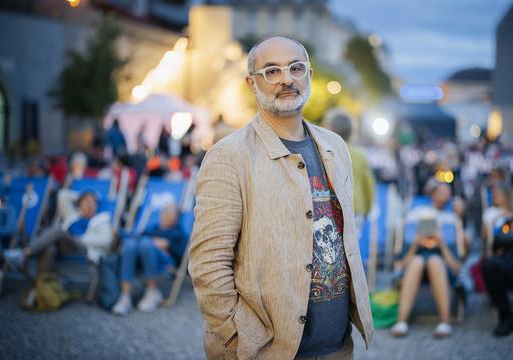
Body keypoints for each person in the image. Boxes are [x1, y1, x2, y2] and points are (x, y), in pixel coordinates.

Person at [188, 35, 373, 360]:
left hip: (338, 347)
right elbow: (208, 264)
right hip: (267, 351)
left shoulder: (335, 148)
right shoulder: (228, 156)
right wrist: (238, 338)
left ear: (309, 76)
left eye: (296, 68)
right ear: (251, 82)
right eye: (271, 71)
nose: (287, 79)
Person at [390, 184, 462, 338]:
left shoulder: (452, 219)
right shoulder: (417, 215)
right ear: (433, 194)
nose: (446, 196)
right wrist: (416, 242)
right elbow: (400, 266)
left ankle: (445, 321)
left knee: (435, 260)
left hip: (442, 266)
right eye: (442, 192)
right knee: (417, 261)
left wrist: (441, 242)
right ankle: (401, 321)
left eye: (448, 193)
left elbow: (457, 269)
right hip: (415, 263)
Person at [4, 190, 113, 272]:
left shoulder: (101, 220)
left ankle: (23, 254)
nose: (90, 205)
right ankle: (41, 285)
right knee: (50, 249)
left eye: (93, 202)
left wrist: (83, 239)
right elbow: (63, 194)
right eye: (86, 202)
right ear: (79, 204)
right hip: (62, 243)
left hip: (82, 247)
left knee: (58, 230)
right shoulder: (73, 215)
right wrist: (80, 197)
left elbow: (107, 240)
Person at [112, 203, 187, 315]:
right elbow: (136, 237)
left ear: (177, 217)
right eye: (164, 211)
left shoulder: (179, 233)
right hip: (143, 258)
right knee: (130, 244)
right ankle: (125, 296)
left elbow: (180, 254)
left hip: (166, 264)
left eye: (170, 212)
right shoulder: (153, 228)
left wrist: (166, 245)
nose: (165, 214)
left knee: (145, 243)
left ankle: (152, 291)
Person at [323, 109, 375, 232]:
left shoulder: (324, 153)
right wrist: (367, 209)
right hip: (356, 207)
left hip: (330, 208)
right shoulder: (360, 155)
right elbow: (368, 186)